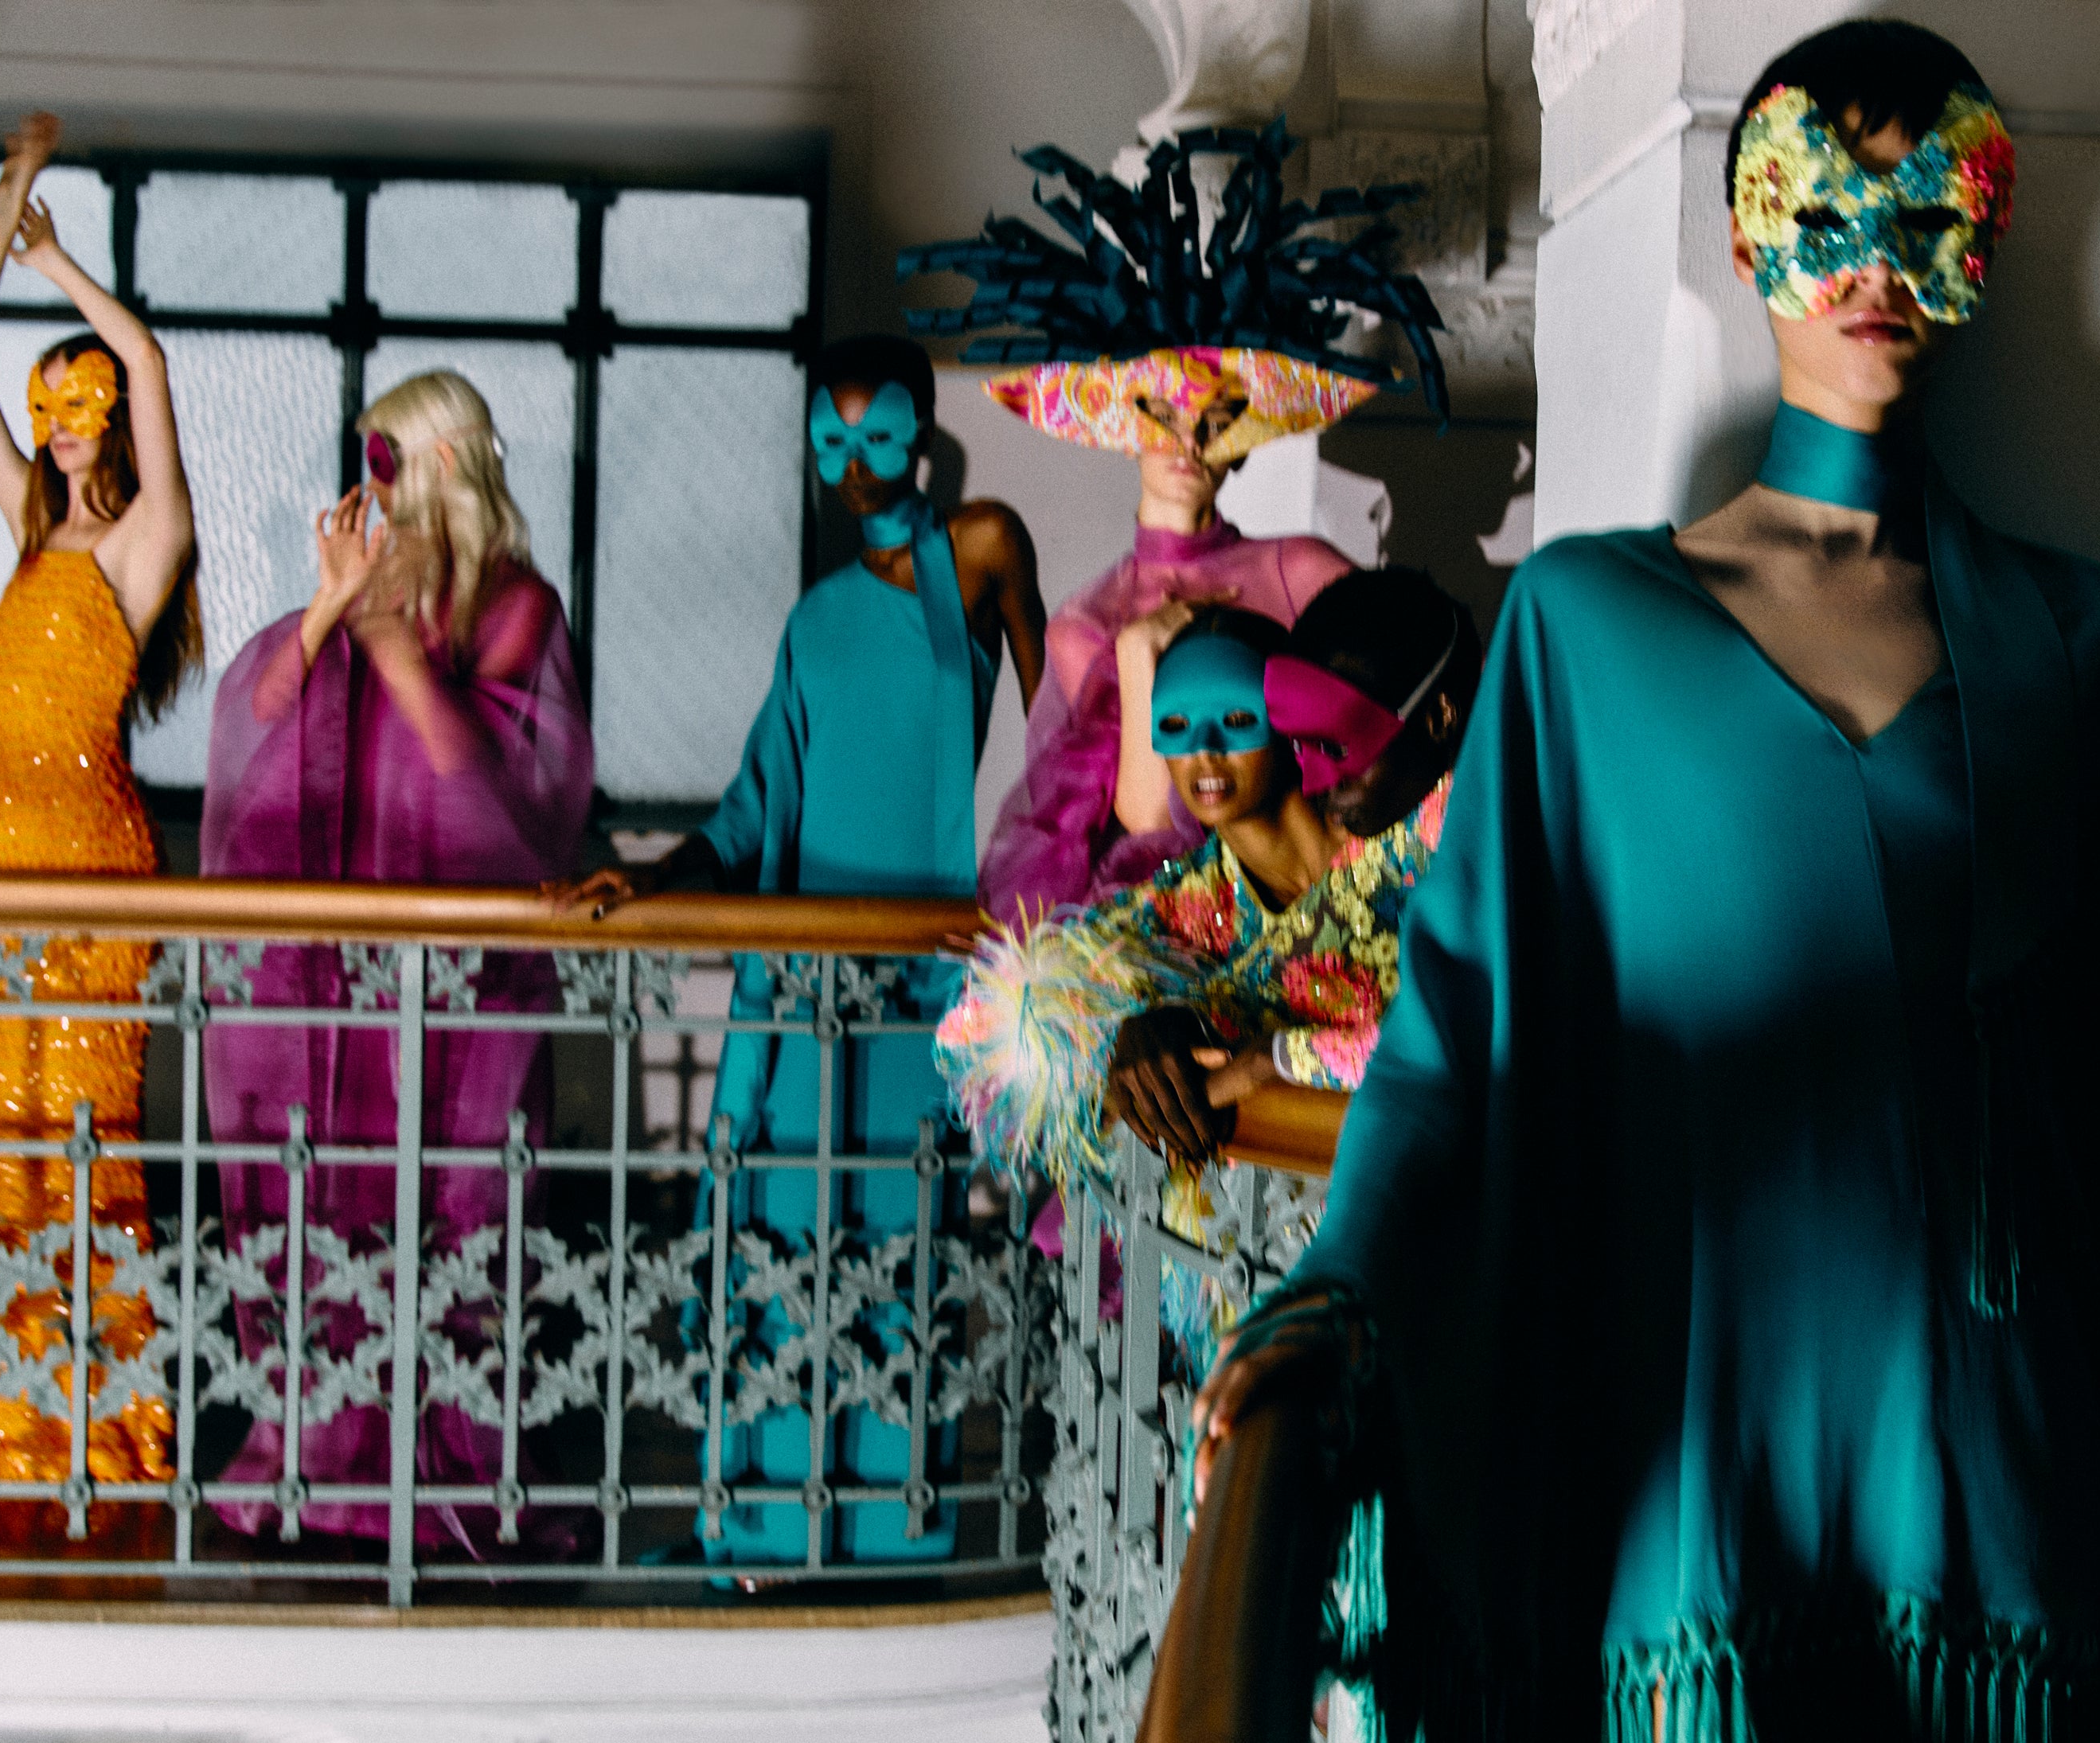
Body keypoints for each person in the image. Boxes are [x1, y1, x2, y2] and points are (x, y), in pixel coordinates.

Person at [1184, 24, 2100, 1742]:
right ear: (1746, 242)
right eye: (1823, 218)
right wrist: (1339, 1291)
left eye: (1925, 216)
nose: (1872, 269)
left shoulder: (2088, 644)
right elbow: (1452, 1045)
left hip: (1990, 1473)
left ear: (1984, 237)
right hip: (1686, 1469)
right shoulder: (1588, 632)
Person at [555, 334, 1044, 1577]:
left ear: (922, 435)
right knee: (774, 1243)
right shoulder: (814, 617)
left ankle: (889, 1533)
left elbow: (1066, 744)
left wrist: (1070, 889)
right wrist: (652, 873)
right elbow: (751, 807)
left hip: (917, 981)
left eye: (879, 433)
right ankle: (762, 1525)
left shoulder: (981, 547)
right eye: (833, 439)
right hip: (798, 985)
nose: (856, 461)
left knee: (897, 1244)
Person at [201, 368, 594, 1558]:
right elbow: (258, 718)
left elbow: (498, 794)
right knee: (323, 1193)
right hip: (331, 975)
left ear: (446, 461)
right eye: (368, 460)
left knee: (456, 1201)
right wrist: (330, 607)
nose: (375, 485)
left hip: (460, 978)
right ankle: (313, 1456)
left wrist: (399, 652)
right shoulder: (365, 580)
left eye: (391, 459)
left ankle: (449, 1464)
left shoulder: (517, 603)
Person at [0, 110, 201, 1555]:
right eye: (53, 403)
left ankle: (88, 1426)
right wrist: (7, 194)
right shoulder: (31, 524)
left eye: (85, 403)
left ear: (114, 420)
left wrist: (66, 265)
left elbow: (153, 361)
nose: (67, 421)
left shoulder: (144, 544)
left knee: (71, 1136)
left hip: (85, 863)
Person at [898, 122, 1450, 920]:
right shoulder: (1086, 626)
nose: (1187, 442)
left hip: (1333, 893)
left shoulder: (1301, 569)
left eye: (1215, 420)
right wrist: (1135, 656)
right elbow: (1145, 831)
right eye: (1161, 415)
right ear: (1125, 426)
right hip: (1187, 922)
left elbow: (1389, 737)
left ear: (1243, 440)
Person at [937, 575, 1478, 1363]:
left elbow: (1483, 1030)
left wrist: (1268, 1053)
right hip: (1269, 1288)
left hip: (1446, 1241)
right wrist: (1119, 1033)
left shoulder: (1413, 826)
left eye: (1235, 719)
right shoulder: (1182, 907)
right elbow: (980, 1029)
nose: (1205, 751)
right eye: (1176, 725)